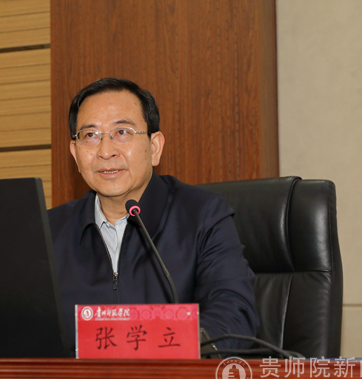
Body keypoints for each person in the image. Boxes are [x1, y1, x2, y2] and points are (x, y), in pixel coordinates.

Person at [48, 78, 258, 355]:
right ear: (75, 153)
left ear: (155, 147)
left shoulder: (202, 215)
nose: (106, 151)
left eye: (122, 132)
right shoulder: (49, 231)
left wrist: (149, 351)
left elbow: (234, 315)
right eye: (90, 135)